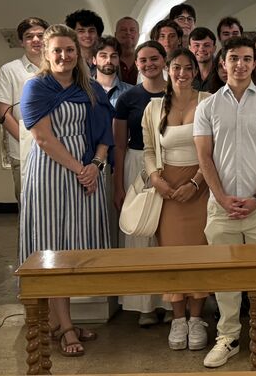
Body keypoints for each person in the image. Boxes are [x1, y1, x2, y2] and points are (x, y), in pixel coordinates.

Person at [19, 24, 113, 358]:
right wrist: (80, 169)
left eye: (69, 50)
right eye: (57, 50)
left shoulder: (89, 87)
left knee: (73, 246)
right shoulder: (36, 87)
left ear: (79, 53)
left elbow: (106, 133)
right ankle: (65, 327)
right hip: (52, 171)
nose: (63, 56)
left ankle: (61, 321)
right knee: (53, 247)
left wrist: (96, 167)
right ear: (45, 52)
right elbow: (43, 138)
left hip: (87, 170)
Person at [194, 36, 256, 368]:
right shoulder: (207, 106)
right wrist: (221, 197)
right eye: (234, 58)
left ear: (255, 63)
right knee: (226, 275)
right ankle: (229, 337)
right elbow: (204, 156)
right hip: (220, 206)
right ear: (223, 63)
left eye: (247, 58)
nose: (241, 64)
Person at [143, 49, 211, 351]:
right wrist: (156, 178)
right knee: (172, 256)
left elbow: (215, 150)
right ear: (168, 70)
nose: (182, 73)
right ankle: (178, 319)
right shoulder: (154, 107)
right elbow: (148, 150)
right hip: (167, 189)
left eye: (187, 68)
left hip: (200, 185)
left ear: (195, 71)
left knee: (198, 255)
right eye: (176, 68)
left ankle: (197, 320)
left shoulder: (208, 101)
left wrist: (196, 183)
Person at [113, 41, 170, 327]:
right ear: (136, 64)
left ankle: (170, 301)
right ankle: (144, 305)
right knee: (141, 232)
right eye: (143, 60)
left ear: (164, 60)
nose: (149, 64)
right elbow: (119, 145)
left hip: (171, 163)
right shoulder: (128, 98)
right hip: (136, 163)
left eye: (154, 58)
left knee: (167, 233)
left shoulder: (175, 93)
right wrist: (118, 186)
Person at [0, 16, 49, 203]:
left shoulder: (59, 68)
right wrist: (29, 141)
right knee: (28, 209)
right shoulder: (10, 70)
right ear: (21, 41)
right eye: (29, 36)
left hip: (60, 149)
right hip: (24, 151)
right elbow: (3, 113)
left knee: (54, 207)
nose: (36, 40)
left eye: (40, 35)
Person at [93, 36, 133, 107]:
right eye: (103, 56)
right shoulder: (83, 90)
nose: (109, 60)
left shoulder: (132, 92)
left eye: (113, 56)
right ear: (94, 60)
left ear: (119, 60)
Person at [189, 27, 217, 92]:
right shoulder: (184, 74)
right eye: (196, 45)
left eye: (206, 45)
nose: (201, 49)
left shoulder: (223, 72)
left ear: (214, 48)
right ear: (189, 48)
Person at [114, 17, 140, 85]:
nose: (128, 33)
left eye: (132, 30)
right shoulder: (108, 61)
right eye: (123, 30)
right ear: (115, 35)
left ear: (138, 35)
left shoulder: (145, 60)